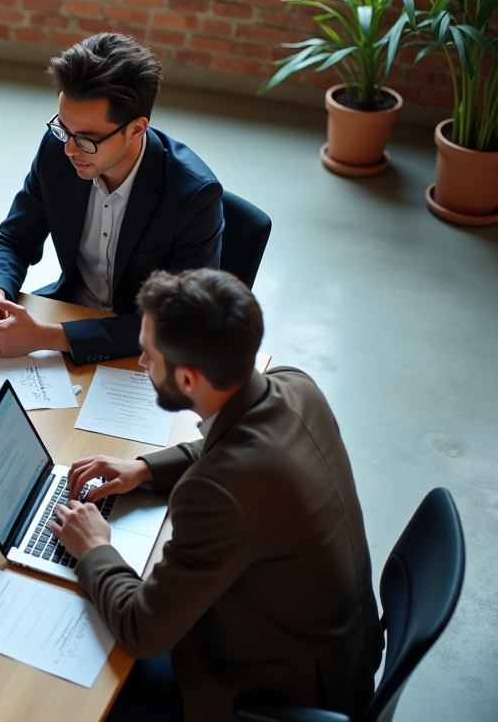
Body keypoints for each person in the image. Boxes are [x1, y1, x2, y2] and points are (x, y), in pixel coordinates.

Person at [48, 269, 383, 722]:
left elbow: (143, 630)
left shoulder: (215, 494)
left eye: (148, 356)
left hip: (285, 692)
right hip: (341, 650)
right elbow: (235, 440)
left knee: (67, 687)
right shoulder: (295, 384)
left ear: (187, 380)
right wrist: (145, 468)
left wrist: (94, 548)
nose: (143, 365)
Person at [0, 33, 223, 365]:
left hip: (143, 348)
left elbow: (177, 321)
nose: (69, 149)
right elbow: (13, 240)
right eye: (63, 128)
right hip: (69, 309)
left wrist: (46, 337)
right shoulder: (56, 150)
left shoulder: (194, 196)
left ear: (136, 129)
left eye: (87, 139)